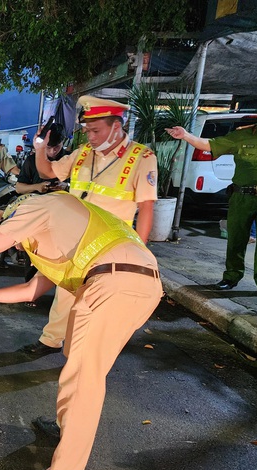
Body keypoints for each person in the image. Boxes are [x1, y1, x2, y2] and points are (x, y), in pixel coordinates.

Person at [0, 192, 162, 470]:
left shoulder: (37, 205)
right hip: (130, 280)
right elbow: (31, 290)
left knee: (83, 379)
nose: (17, 245)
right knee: (76, 356)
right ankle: (65, 425)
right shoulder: (62, 232)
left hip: (114, 283)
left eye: (16, 236)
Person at [24, 96, 158, 360]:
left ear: (117, 126)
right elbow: (48, 172)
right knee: (64, 293)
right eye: (87, 131)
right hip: (75, 241)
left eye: (96, 130)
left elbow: (146, 209)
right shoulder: (83, 153)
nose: (91, 137)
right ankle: (51, 340)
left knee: (93, 304)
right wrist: (40, 148)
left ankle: (79, 355)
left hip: (110, 248)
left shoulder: (142, 158)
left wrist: (139, 253)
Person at [167, 121, 257, 292]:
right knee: (236, 240)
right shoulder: (242, 135)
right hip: (241, 197)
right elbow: (210, 145)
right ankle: (231, 277)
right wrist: (186, 135)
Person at [15, 123, 68, 195]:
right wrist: (36, 187)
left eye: (56, 147)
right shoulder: (31, 160)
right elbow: (19, 188)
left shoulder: (70, 158)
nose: (52, 151)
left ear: (63, 141)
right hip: (37, 202)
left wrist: (67, 186)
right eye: (48, 147)